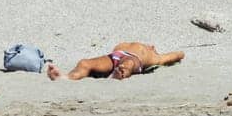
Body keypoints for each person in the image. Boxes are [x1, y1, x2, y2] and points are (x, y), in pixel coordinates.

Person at [52, 42, 184, 81]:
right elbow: (178, 54)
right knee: (84, 63)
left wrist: (178, 55)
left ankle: (121, 72)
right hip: (117, 56)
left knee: (128, 64)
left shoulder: (154, 57)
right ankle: (66, 77)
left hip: (129, 58)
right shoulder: (146, 49)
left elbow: (176, 55)